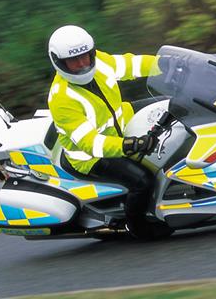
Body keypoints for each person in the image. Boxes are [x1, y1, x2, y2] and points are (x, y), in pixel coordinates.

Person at [47, 25, 166, 238]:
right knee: (142, 181)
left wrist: (167, 64)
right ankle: (138, 227)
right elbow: (90, 143)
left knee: (169, 106)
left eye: (86, 56)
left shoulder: (100, 62)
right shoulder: (61, 98)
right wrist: (130, 145)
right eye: (74, 61)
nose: (83, 64)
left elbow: (132, 65)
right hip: (92, 157)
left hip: (121, 126)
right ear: (59, 62)